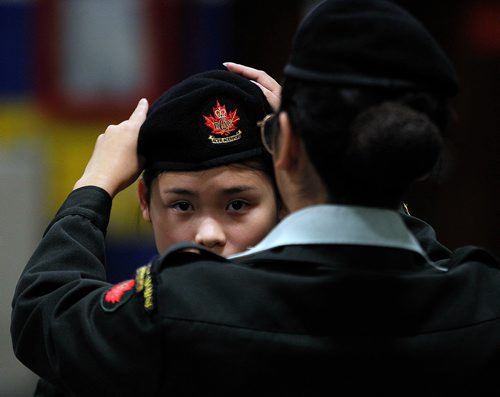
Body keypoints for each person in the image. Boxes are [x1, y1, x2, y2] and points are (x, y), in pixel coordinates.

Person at [11, 1, 500, 396]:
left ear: (283, 148)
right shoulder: (481, 302)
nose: (208, 234)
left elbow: (46, 315)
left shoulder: (179, 310)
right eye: (181, 203)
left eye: (238, 203)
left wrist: (93, 183)